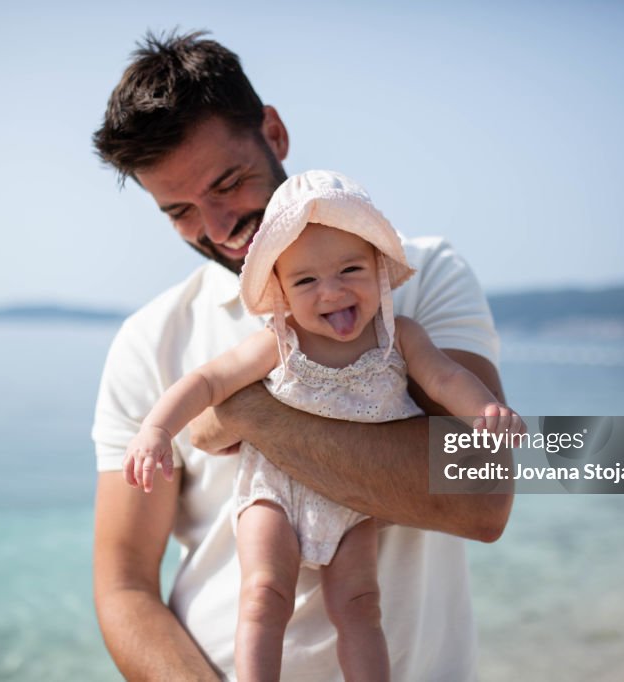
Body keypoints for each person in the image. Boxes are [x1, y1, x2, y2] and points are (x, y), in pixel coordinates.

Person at [91, 30, 515, 681]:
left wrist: (250, 414)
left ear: (275, 133)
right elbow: (124, 586)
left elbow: (482, 497)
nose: (216, 227)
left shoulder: (420, 277)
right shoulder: (150, 339)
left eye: (228, 183)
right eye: (179, 211)